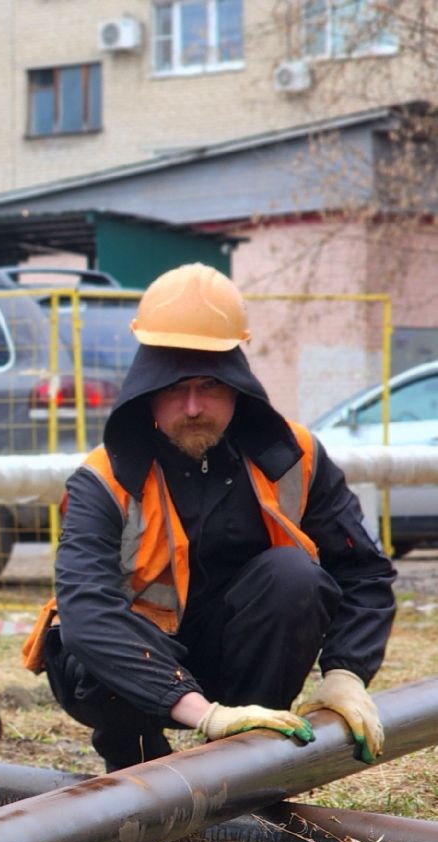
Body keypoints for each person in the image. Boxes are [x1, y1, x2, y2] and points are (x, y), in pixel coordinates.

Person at [22, 263, 396, 773]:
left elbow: (364, 573)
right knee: (87, 638)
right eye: (176, 389)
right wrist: (205, 715)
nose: (193, 406)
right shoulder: (104, 478)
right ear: (148, 391)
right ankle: (140, 772)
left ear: (238, 387)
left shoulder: (295, 457)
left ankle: (246, 761)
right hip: (128, 673)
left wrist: (346, 674)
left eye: (209, 386)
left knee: (294, 577)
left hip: (237, 659)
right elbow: (88, 615)